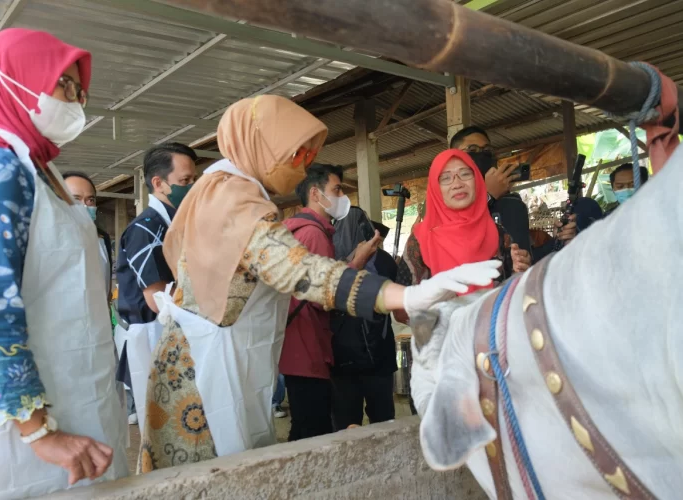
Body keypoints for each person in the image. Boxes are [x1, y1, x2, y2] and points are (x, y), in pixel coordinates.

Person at [139, 94, 501, 472]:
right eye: (297, 155)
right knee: (209, 478)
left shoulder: (225, 188)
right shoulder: (232, 199)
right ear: (259, 145)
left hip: (217, 352)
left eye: (309, 158)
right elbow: (298, 269)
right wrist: (406, 295)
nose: (302, 170)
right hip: (203, 371)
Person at [0, 29, 127, 498]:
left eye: (79, 90)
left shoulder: (40, 170)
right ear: (15, 80)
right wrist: (41, 432)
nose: (76, 100)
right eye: (64, 85)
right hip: (27, 429)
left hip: (77, 395)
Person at [281, 163, 381, 441]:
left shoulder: (298, 229)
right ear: (315, 193)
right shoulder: (313, 234)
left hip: (298, 344)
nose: (341, 196)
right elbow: (322, 296)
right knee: (312, 430)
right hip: (308, 344)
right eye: (336, 190)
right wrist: (358, 261)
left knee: (305, 423)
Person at [115, 141, 197, 430]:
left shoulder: (176, 223)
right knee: (168, 424)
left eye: (193, 180)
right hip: (155, 333)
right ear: (159, 183)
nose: (191, 187)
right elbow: (157, 299)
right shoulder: (145, 229)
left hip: (177, 329)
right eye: (184, 181)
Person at [396, 149, 532, 319]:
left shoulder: (498, 234)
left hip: (490, 337)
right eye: (446, 178)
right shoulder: (420, 240)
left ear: (477, 181)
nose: (457, 183)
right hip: (444, 340)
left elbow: (518, 296)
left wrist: (519, 271)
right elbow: (400, 311)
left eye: (465, 174)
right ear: (435, 188)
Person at [450, 126, 578, 253]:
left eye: (487, 150)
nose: (482, 154)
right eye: (472, 149)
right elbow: (457, 239)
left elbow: (526, 256)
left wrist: (558, 241)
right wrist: (489, 195)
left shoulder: (511, 203)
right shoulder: (448, 198)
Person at [331, 209, 398, 430]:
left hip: (344, 358)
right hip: (376, 354)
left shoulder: (330, 264)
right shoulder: (385, 261)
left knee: (346, 424)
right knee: (383, 420)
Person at [63, 171, 113, 298]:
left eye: (90, 200)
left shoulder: (102, 239)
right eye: (76, 199)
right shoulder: (44, 241)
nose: (84, 205)